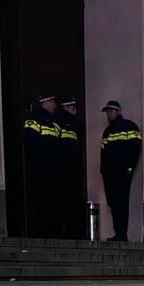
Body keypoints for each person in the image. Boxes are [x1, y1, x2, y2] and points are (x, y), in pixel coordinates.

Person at [99, 99, 141, 241]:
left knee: (122, 203)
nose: (108, 114)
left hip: (122, 173)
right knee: (113, 203)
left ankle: (122, 234)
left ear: (118, 111)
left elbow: (136, 148)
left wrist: (129, 168)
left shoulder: (130, 126)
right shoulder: (107, 131)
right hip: (109, 174)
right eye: (107, 112)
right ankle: (118, 233)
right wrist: (103, 171)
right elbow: (103, 153)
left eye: (111, 111)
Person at [23, 93, 60, 237]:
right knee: (39, 201)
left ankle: (51, 231)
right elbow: (31, 143)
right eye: (52, 101)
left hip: (53, 169)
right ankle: (39, 231)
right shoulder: (33, 120)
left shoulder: (55, 123)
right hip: (39, 168)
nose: (54, 105)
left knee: (51, 201)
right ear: (45, 102)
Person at [55, 95, 84, 238]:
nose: (75, 110)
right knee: (64, 201)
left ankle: (72, 231)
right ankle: (64, 231)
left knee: (73, 201)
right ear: (65, 107)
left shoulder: (74, 124)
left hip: (72, 169)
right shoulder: (60, 122)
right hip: (63, 169)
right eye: (71, 107)